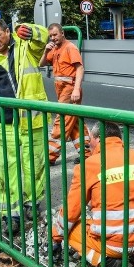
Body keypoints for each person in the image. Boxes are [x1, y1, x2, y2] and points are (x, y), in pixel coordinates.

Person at [52, 121, 134, 267]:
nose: (89, 147)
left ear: (98, 140)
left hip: (116, 246)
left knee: (71, 229)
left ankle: (109, 263)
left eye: (90, 142)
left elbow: (71, 212)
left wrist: (55, 236)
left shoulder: (88, 166)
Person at [0, 19, 49, 233]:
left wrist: (30, 29)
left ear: (8, 32)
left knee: (34, 166)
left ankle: (32, 205)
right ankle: (11, 215)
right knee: (7, 172)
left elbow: (43, 37)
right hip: (2, 125)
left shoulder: (26, 48)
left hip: (31, 123)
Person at [38, 23, 90, 165]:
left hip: (69, 89)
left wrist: (76, 89)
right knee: (74, 123)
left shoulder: (70, 47)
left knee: (61, 121)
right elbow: (41, 64)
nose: (53, 38)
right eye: (51, 36)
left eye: (55, 34)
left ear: (62, 33)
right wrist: (45, 51)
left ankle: (50, 156)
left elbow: (80, 69)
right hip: (61, 90)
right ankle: (87, 153)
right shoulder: (54, 49)